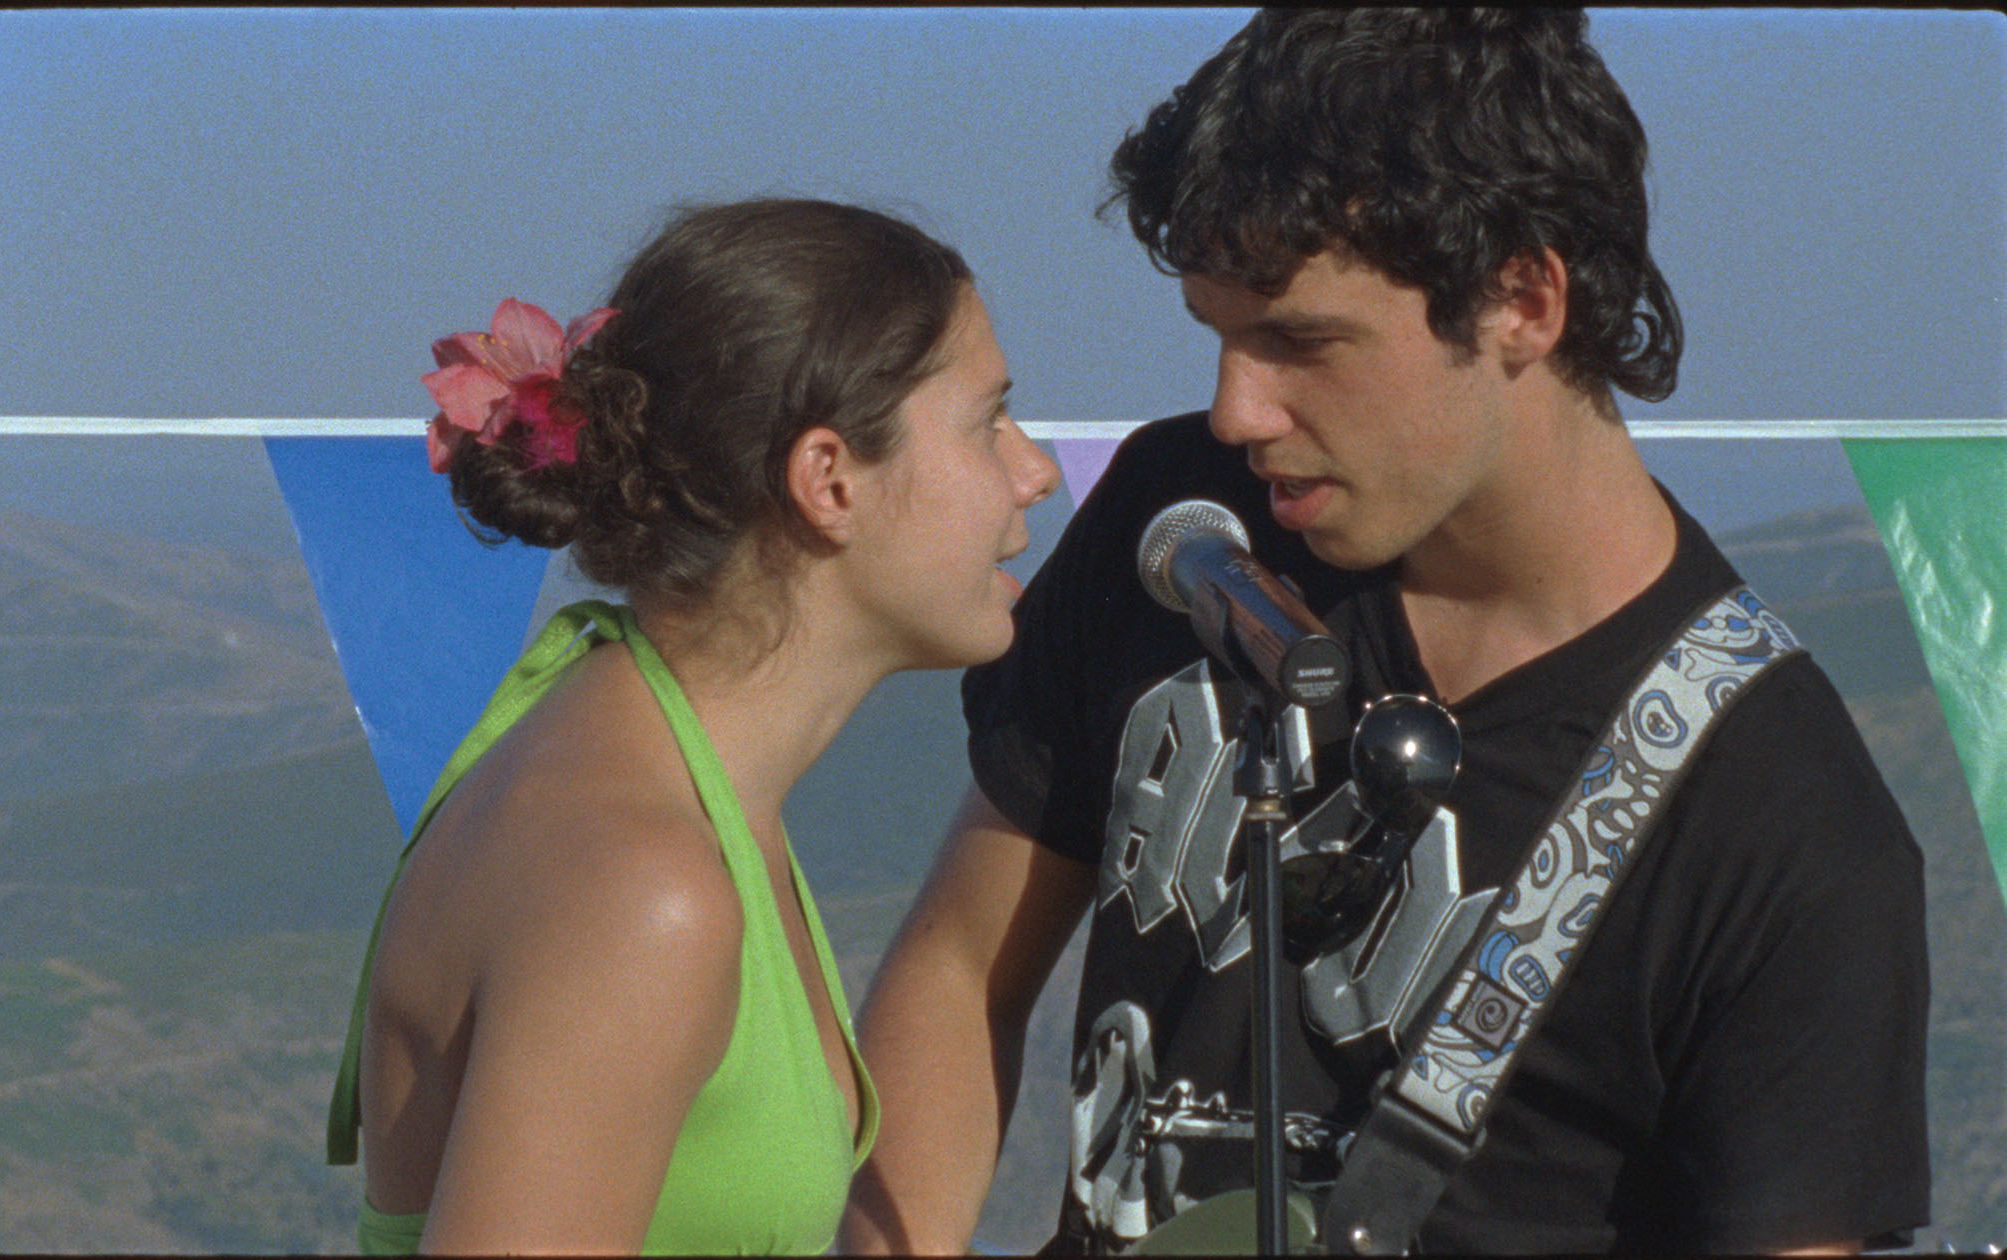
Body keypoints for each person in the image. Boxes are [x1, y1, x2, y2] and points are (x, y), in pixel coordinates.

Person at [841, 10, 1929, 1255]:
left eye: (1298, 340)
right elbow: (959, 968)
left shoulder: (1785, 822)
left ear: (1522, 299)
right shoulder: (1183, 529)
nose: (1236, 409)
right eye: (1217, 334)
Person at [323, 197, 1059, 1255]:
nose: (1034, 471)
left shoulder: (648, 749)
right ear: (829, 481)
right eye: (988, 421)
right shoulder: (642, 887)